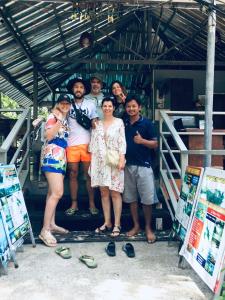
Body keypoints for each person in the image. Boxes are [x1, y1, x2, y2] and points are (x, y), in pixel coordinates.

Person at [89, 97, 126, 237]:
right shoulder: (97, 124)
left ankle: (117, 224)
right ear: (101, 108)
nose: (107, 108)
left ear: (113, 108)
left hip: (115, 160)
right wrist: (92, 165)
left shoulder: (119, 122)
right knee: (104, 192)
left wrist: (122, 158)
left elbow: (122, 142)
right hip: (100, 161)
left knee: (115, 192)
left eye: (110, 106)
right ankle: (107, 222)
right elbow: (93, 144)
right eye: (105, 106)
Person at [123, 95, 158, 243]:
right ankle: (136, 226)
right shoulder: (123, 123)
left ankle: (148, 228)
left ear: (139, 107)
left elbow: (155, 145)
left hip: (144, 166)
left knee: (147, 200)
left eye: (134, 106)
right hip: (127, 166)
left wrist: (142, 141)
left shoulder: (147, 124)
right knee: (131, 199)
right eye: (128, 106)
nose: (131, 109)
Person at [39, 94, 71, 247]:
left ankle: (51, 224)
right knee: (58, 192)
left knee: (52, 193)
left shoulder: (64, 118)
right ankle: (45, 230)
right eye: (62, 103)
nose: (65, 106)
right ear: (58, 104)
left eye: (67, 103)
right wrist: (58, 120)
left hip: (60, 157)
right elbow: (48, 135)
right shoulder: (53, 117)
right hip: (52, 156)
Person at [65, 78, 99, 216]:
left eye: (81, 87)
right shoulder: (66, 104)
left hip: (87, 144)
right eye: (76, 87)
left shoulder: (90, 104)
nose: (78, 89)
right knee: (72, 174)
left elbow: (95, 122)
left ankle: (92, 204)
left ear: (85, 90)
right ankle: (74, 203)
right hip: (71, 144)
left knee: (89, 175)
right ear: (72, 90)